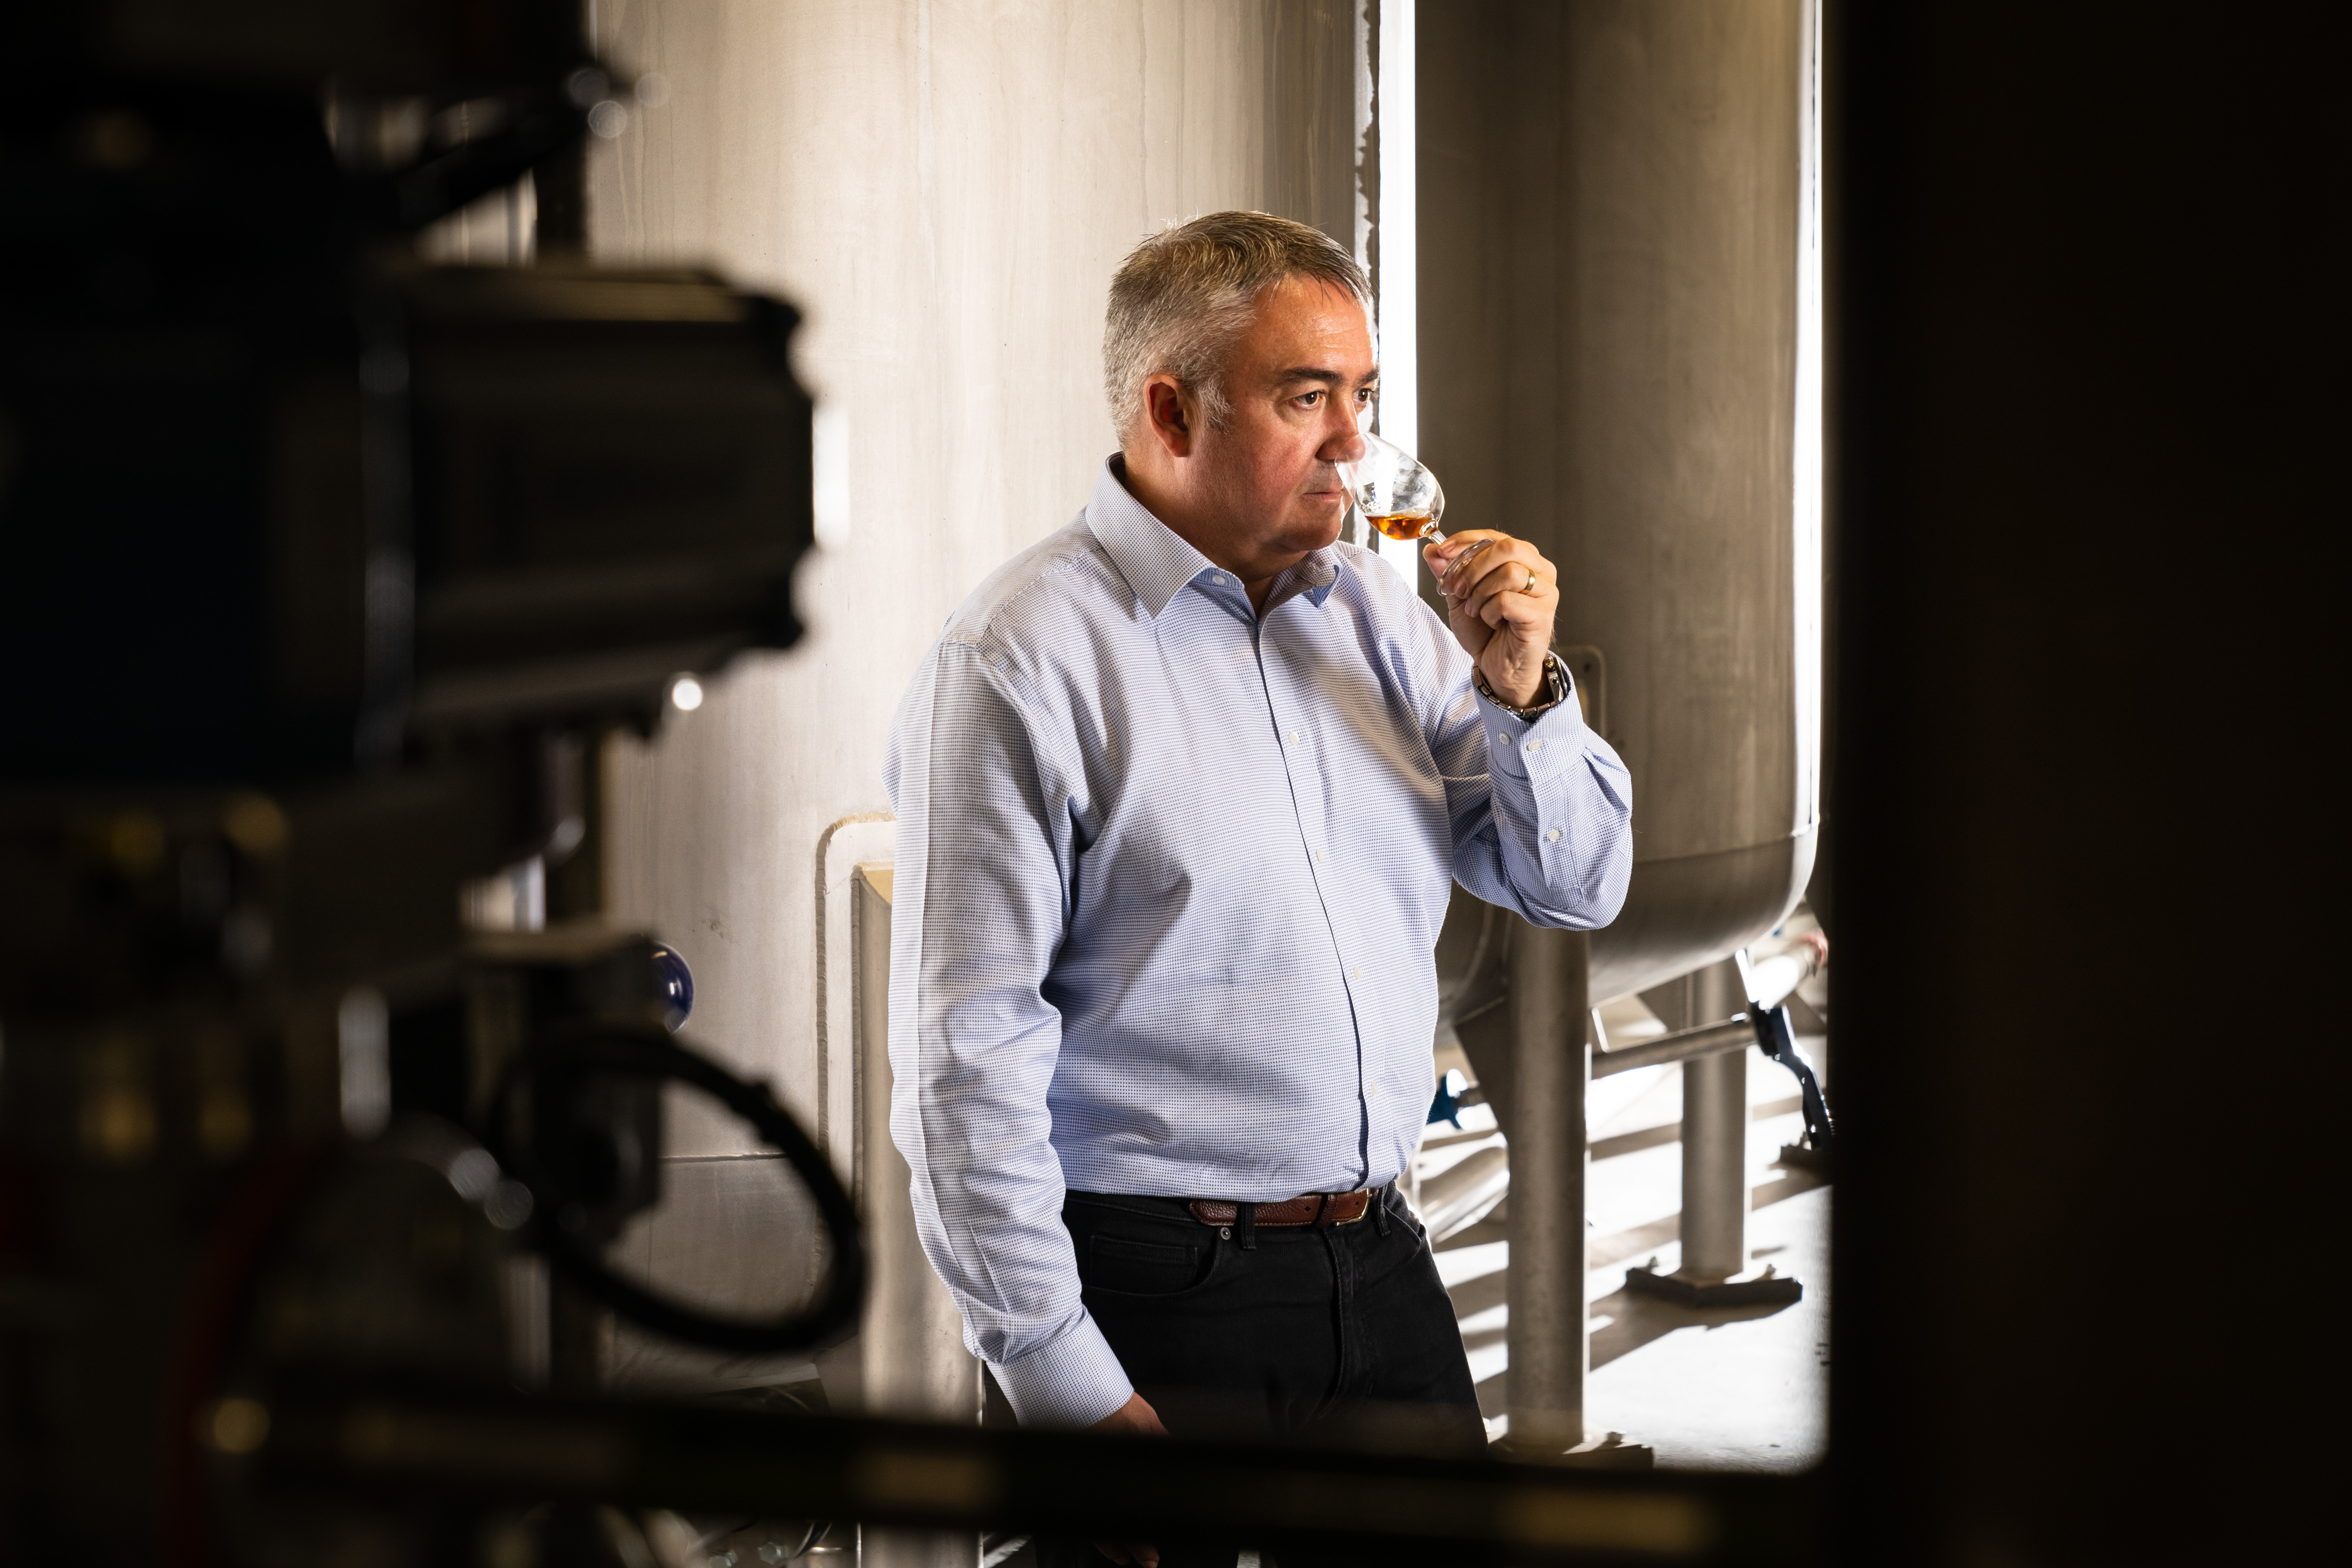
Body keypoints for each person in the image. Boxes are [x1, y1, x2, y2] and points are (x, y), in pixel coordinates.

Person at [885, 211, 1631, 1566]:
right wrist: (1068, 1387)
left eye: (1364, 400)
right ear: (1171, 410)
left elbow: (1573, 884)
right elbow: (962, 1066)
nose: (1354, 447)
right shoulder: (1017, 662)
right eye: (1308, 400)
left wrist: (1527, 700)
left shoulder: (1385, 625)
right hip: (1155, 1296)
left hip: (1381, 1265)